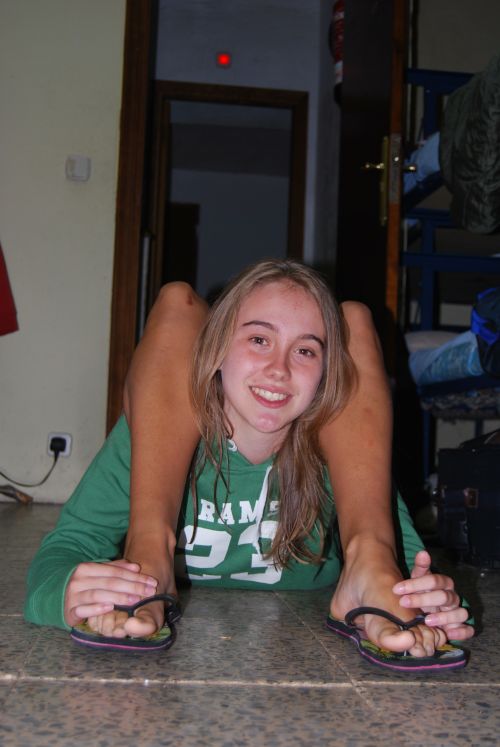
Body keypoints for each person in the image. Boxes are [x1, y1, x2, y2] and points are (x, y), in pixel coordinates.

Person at [24, 260, 472, 664]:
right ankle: (150, 555)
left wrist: (434, 606)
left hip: (295, 655)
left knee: (355, 317)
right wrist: (67, 595)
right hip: (160, 503)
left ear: (326, 373)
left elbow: (405, 563)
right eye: (259, 339)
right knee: (177, 300)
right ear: (216, 349)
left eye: (305, 350)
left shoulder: (340, 450)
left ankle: (359, 573)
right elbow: (64, 550)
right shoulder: (150, 436)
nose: (279, 369)